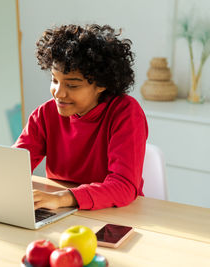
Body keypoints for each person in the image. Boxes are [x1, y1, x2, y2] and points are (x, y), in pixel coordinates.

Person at [14, 24, 148, 210]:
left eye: (72, 85)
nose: (58, 93)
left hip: (116, 212)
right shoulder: (45, 114)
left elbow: (124, 186)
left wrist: (62, 198)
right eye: (54, 80)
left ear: (102, 84)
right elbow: (13, 166)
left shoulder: (125, 112)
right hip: (63, 211)